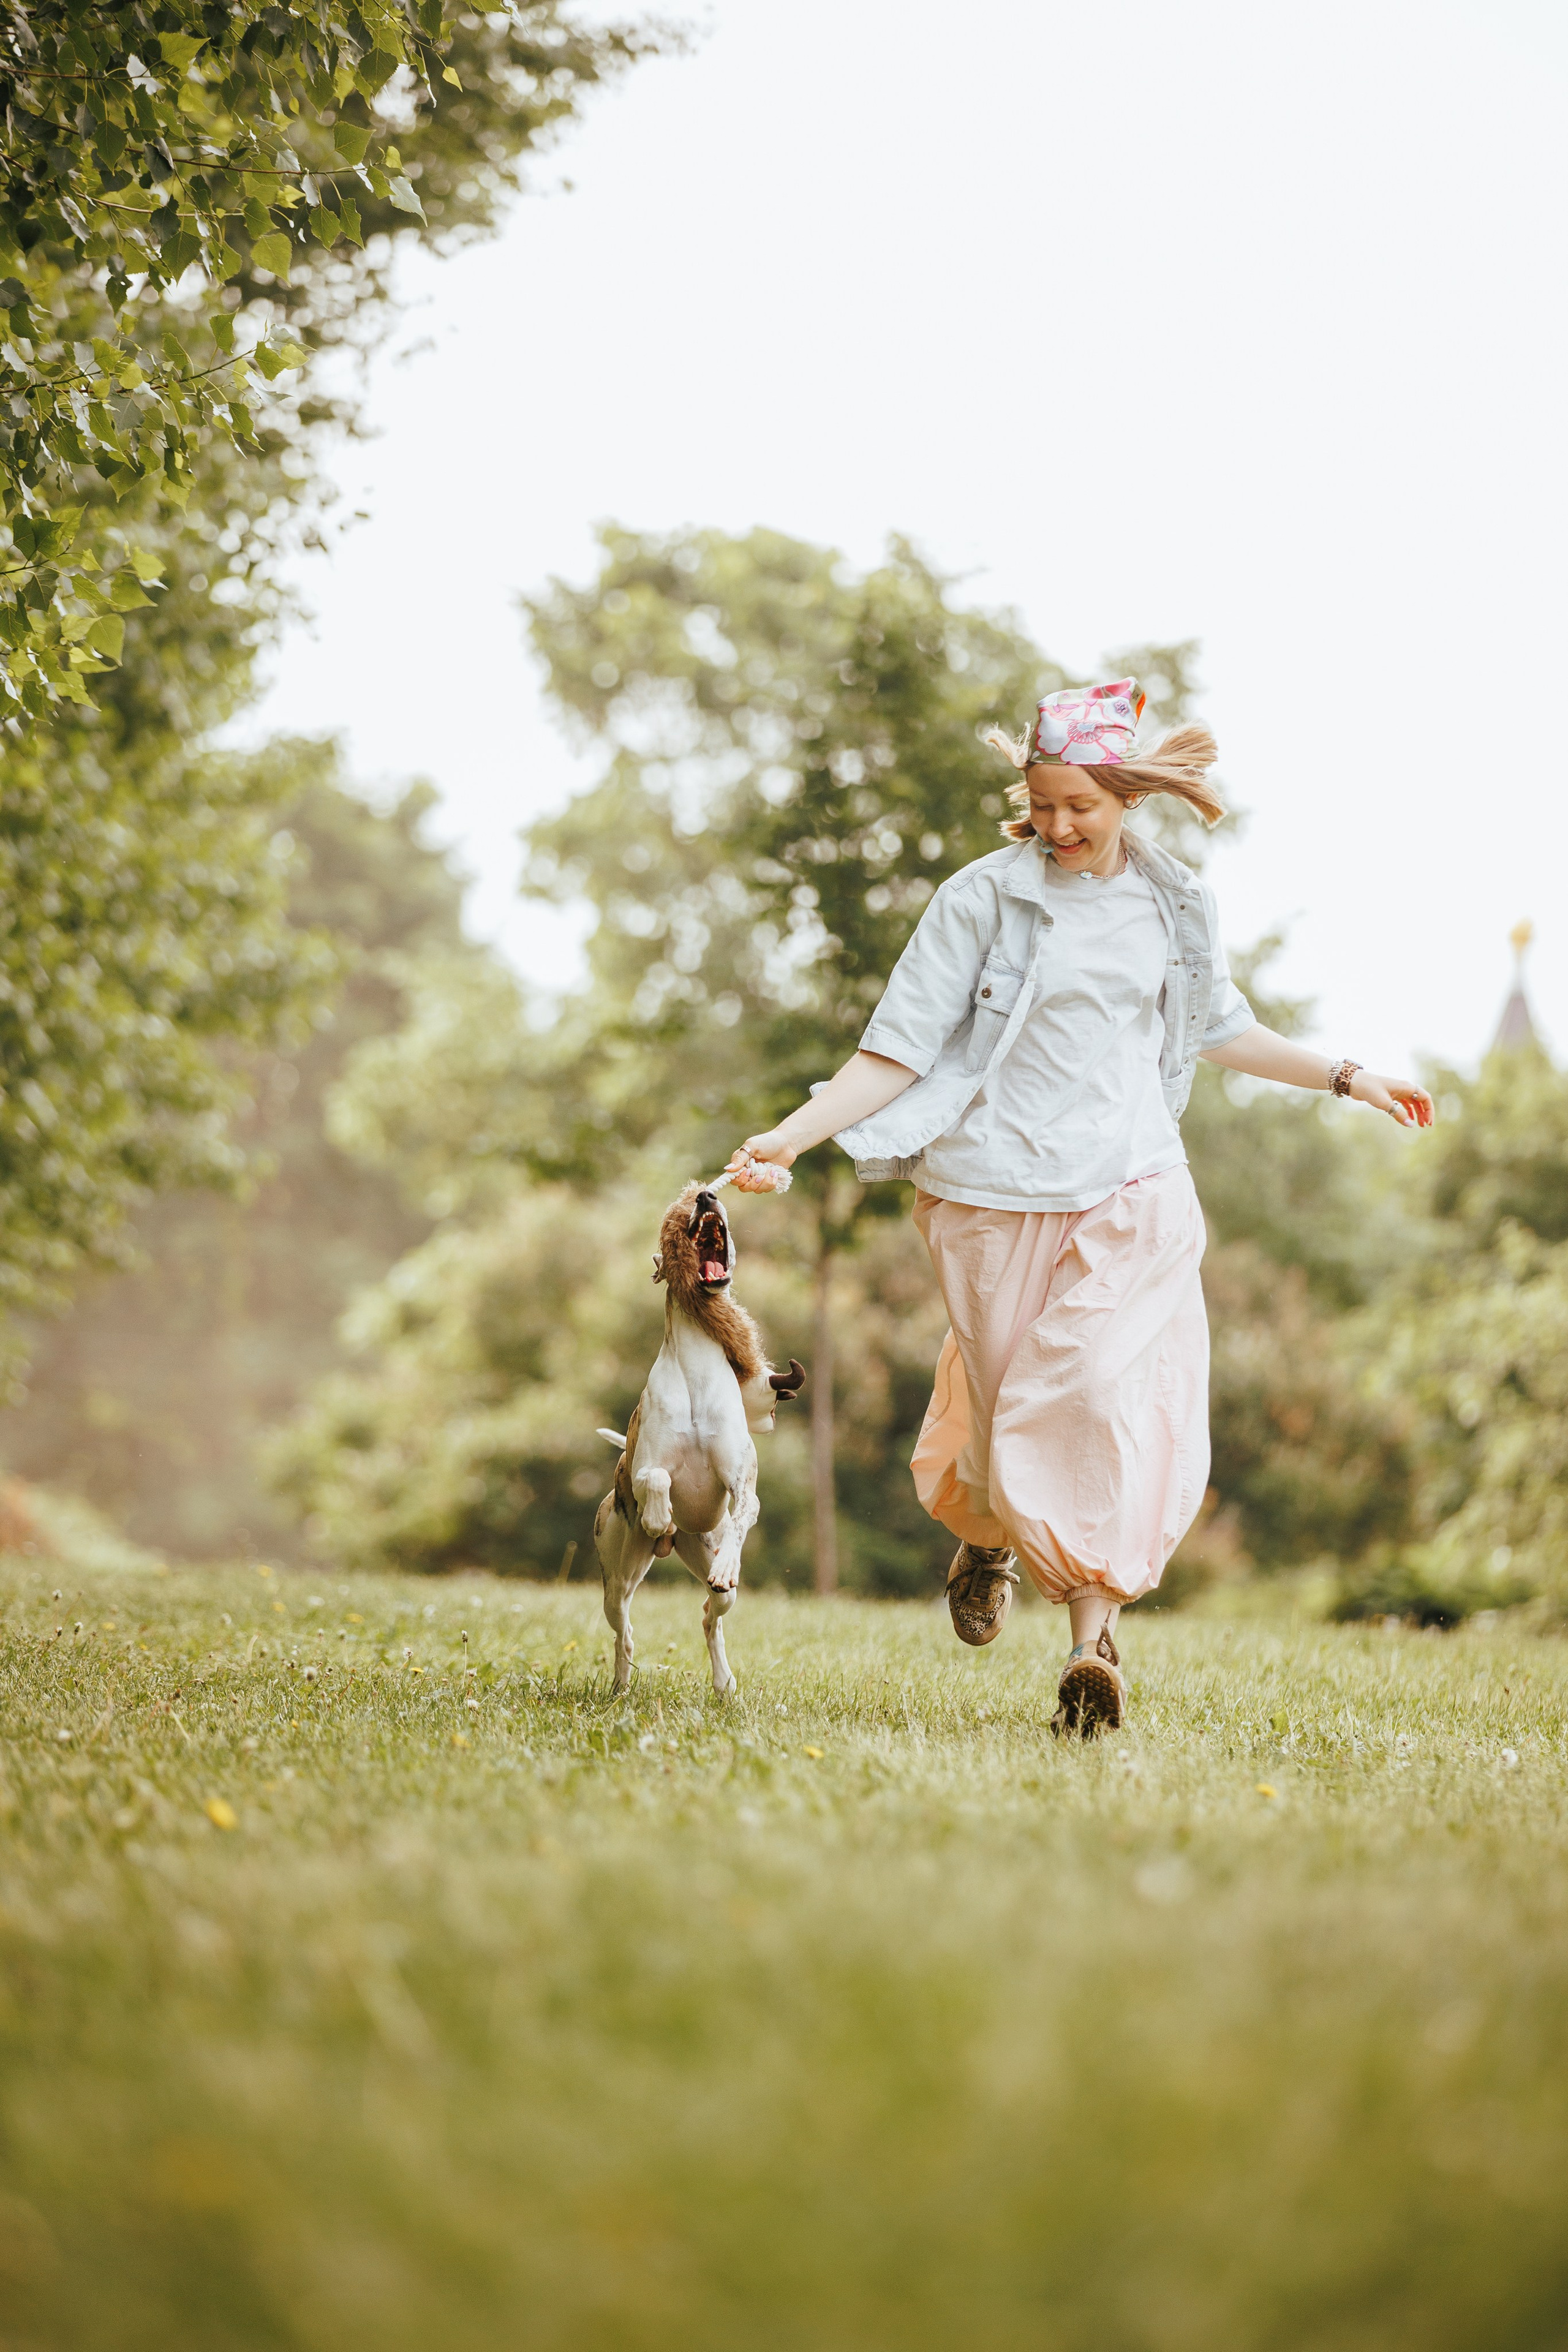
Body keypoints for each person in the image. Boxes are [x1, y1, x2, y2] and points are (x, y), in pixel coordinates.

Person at [724, 679, 1433, 1736]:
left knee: (1092, 1393)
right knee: (1011, 1403)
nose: (1057, 827)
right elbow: (896, 1051)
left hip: (1133, 1183)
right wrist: (792, 1134)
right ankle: (992, 1538)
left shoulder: (1174, 903)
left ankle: (1091, 1649)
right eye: (1042, 804)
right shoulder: (980, 899)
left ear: (1126, 799)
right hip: (988, 1191)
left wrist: (1345, 1074)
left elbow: (1220, 1027)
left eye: (1080, 809)